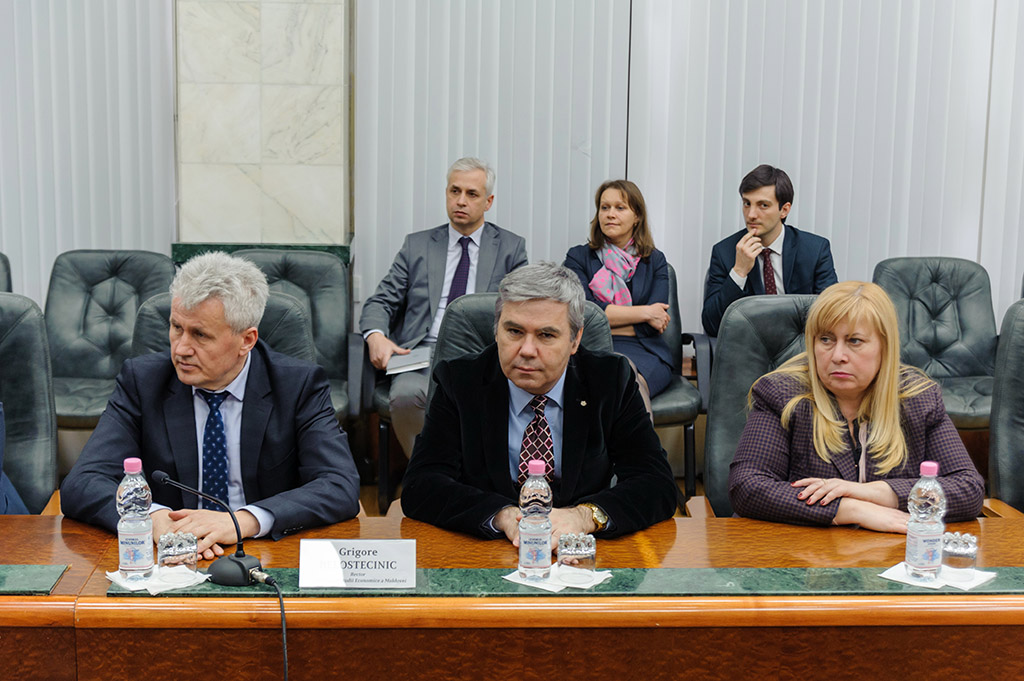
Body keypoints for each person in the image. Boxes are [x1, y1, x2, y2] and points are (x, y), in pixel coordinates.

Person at [61, 252, 361, 558]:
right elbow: (82, 483)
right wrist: (151, 516)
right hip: (172, 557)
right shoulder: (143, 381)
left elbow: (339, 485)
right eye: (176, 327)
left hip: (265, 553)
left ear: (247, 340)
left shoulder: (297, 386)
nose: (181, 348)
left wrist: (243, 521)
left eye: (200, 335)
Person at [401, 262, 678, 545]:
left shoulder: (610, 380)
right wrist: (502, 516)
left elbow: (656, 483)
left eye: (546, 335)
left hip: (579, 550)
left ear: (575, 340)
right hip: (486, 548)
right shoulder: (460, 381)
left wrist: (584, 517)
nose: (527, 350)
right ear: (496, 331)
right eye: (514, 331)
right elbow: (421, 485)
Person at [728, 281, 984, 531]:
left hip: (887, 553)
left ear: (885, 347)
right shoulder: (782, 394)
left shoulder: (917, 398)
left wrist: (876, 493)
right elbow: (747, 487)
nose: (838, 356)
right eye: (826, 339)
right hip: (799, 552)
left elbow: (968, 489)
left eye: (855, 341)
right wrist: (850, 509)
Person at [359, 157, 528, 457]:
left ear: (488, 202)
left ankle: (465, 473)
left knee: (490, 399)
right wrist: (375, 335)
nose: (461, 201)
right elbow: (381, 300)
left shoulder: (510, 248)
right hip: (421, 355)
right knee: (406, 394)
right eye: (454, 191)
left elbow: (521, 311)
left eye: (472, 194)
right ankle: (424, 472)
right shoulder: (417, 245)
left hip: (480, 354)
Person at [563, 180, 673, 412]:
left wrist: (612, 317)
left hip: (646, 351)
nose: (610, 214)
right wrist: (645, 313)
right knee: (618, 376)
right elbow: (583, 316)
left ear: (637, 217)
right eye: (605, 207)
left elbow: (655, 324)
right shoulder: (578, 258)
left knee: (629, 379)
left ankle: (638, 439)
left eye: (620, 208)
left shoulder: (655, 260)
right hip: (591, 346)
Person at [701, 164, 838, 337]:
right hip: (748, 346)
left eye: (763, 205)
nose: (751, 214)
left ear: (784, 210)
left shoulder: (815, 250)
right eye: (747, 204)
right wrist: (739, 271)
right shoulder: (725, 252)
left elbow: (831, 315)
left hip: (800, 345)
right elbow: (712, 325)